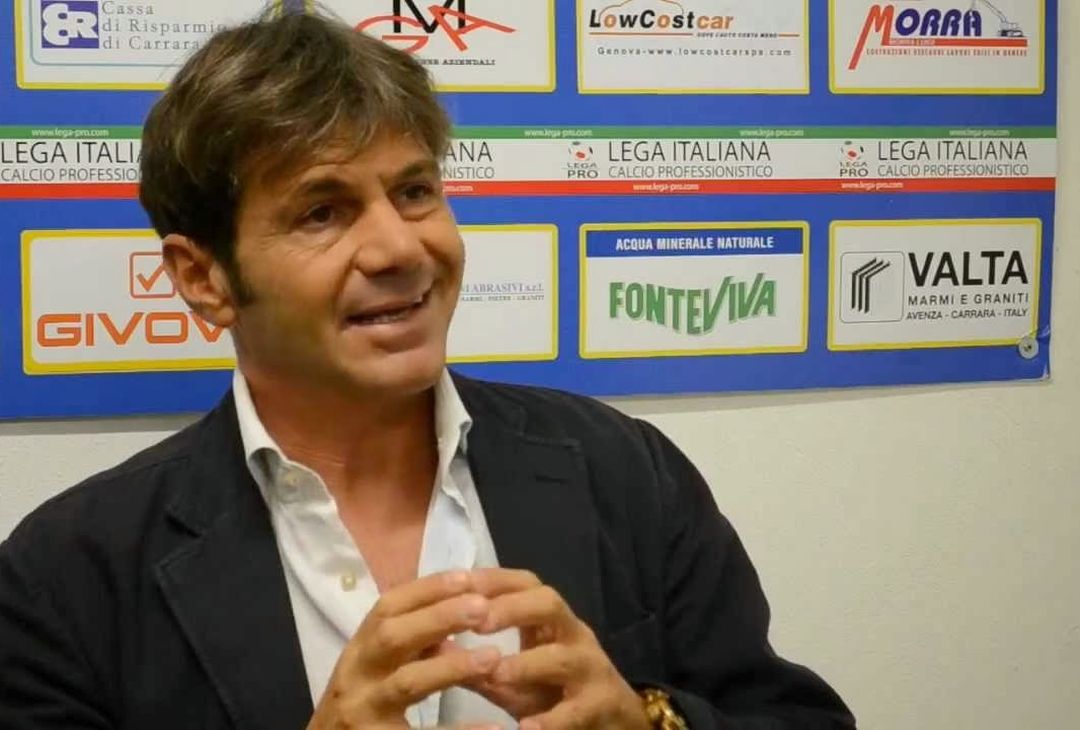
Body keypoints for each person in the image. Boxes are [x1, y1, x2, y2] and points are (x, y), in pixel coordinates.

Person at [0, 9, 856, 730]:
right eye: (323, 212)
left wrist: (648, 720)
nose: (401, 248)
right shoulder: (63, 579)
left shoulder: (625, 470)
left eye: (414, 192)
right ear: (203, 278)